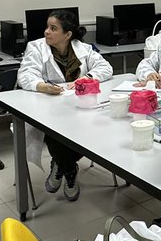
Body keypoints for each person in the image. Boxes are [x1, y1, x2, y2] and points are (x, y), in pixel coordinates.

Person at [17, 11, 113, 198]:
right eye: (47, 27)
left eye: (53, 28)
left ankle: (60, 165)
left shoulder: (83, 49)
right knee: (56, 135)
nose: (46, 32)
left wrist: (86, 77)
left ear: (67, 35)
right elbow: (25, 75)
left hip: (80, 108)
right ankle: (69, 172)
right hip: (49, 110)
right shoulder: (36, 47)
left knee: (89, 134)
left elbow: (105, 68)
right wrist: (42, 86)